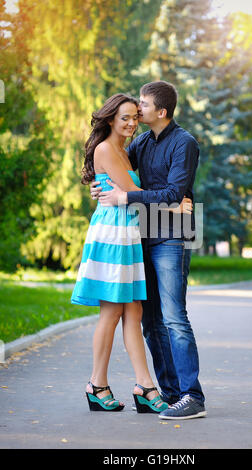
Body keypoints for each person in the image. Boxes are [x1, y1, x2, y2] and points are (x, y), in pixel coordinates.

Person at [90, 81, 206, 420]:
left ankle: (192, 396)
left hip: (173, 237)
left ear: (162, 111)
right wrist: (100, 184)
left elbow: (172, 193)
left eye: (143, 104)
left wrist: (125, 198)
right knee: (151, 321)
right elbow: (118, 170)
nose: (137, 110)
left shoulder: (185, 144)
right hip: (142, 236)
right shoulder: (141, 142)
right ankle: (170, 393)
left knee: (174, 318)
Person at [71, 93, 169, 414]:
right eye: (124, 117)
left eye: (134, 118)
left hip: (126, 233)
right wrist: (172, 203)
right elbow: (135, 193)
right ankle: (97, 384)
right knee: (112, 312)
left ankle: (143, 385)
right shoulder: (106, 149)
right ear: (111, 119)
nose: (131, 123)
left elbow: (128, 194)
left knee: (134, 312)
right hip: (113, 234)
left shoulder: (125, 151)